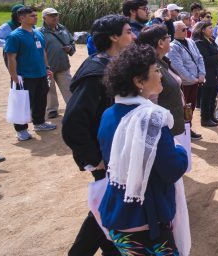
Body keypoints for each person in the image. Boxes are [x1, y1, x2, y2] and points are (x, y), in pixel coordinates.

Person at [98, 44, 189, 253]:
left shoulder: (109, 114)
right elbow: (172, 169)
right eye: (155, 70)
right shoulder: (151, 119)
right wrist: (180, 149)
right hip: (147, 217)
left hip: (119, 212)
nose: (160, 75)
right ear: (139, 81)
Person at [63, 14, 134, 256]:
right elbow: (73, 123)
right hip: (105, 156)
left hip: (116, 152)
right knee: (108, 206)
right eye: (128, 32)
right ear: (114, 37)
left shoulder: (112, 65)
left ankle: (111, 250)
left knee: (112, 206)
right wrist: (93, 158)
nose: (133, 35)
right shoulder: (96, 73)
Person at [4, 7, 56, 140]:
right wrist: (14, 76)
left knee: (40, 100)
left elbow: (43, 52)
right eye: (32, 16)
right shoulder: (15, 36)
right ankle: (21, 130)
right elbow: (11, 57)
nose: (36, 17)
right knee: (22, 103)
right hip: (25, 76)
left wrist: (47, 67)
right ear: (22, 18)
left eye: (35, 15)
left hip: (40, 74)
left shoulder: (37, 33)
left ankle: (39, 123)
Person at [137, 25, 186, 137]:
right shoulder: (153, 67)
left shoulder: (162, 61)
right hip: (165, 130)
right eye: (168, 37)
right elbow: (152, 101)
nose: (170, 39)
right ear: (160, 43)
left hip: (173, 124)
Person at [39, 7, 76, 119]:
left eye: (56, 15)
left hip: (63, 65)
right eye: (51, 15)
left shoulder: (63, 28)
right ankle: (52, 110)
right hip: (47, 67)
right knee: (50, 90)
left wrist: (70, 48)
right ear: (44, 18)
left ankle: (73, 107)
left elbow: (72, 42)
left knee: (68, 87)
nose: (55, 17)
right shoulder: (39, 32)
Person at [193, 21, 218, 128]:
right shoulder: (199, 42)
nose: (212, 30)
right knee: (206, 96)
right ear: (202, 30)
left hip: (214, 72)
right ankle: (205, 119)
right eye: (210, 28)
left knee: (213, 94)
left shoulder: (210, 40)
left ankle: (211, 115)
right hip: (207, 73)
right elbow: (205, 60)